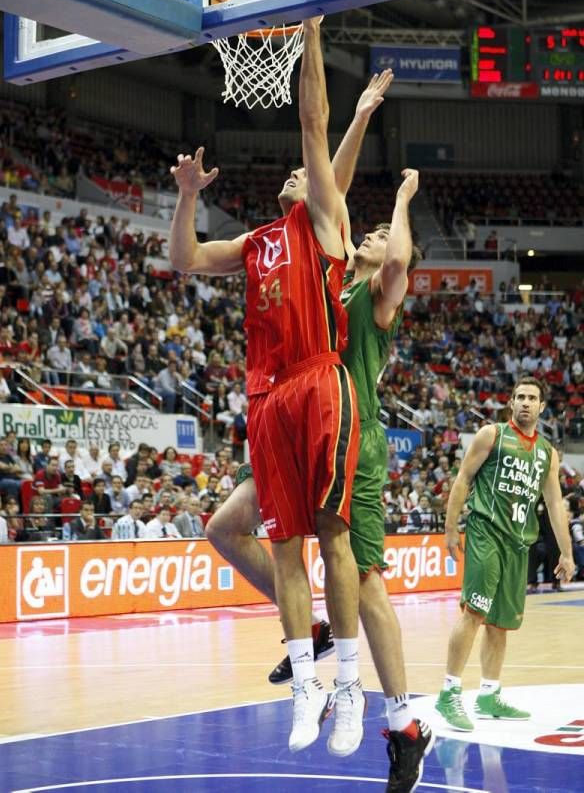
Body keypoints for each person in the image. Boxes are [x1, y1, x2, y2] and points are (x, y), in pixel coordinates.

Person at [169, 18, 367, 757]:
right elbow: (184, 257)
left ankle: (350, 684)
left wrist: (311, 30)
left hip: (319, 381)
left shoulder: (323, 216)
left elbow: (313, 118)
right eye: (290, 170)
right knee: (284, 545)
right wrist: (188, 194)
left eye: (304, 167)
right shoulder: (255, 243)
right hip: (266, 395)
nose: (296, 169)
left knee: (334, 535)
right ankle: (310, 680)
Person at [206, 172, 433, 790]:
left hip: (350, 443)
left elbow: (399, 260)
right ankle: (311, 628)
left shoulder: (377, 296)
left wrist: (402, 204)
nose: (378, 237)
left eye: (385, 236)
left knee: (366, 583)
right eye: (374, 229)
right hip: (298, 428)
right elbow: (308, 211)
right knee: (224, 528)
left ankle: (405, 723)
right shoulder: (325, 274)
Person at [435, 377, 575, 731]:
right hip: (486, 532)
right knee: (475, 611)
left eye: (533, 398)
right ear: (511, 402)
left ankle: (488, 694)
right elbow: (463, 479)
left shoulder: (548, 453)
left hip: (518, 542)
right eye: (520, 397)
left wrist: (567, 553)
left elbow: (555, 504)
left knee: (500, 624)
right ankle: (449, 692)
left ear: (542, 407)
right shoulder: (491, 435)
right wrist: (451, 528)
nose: (526, 403)